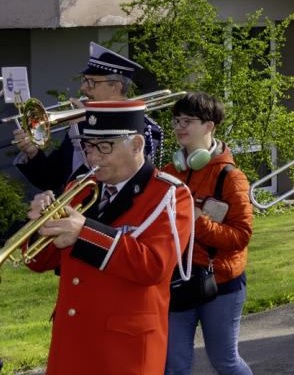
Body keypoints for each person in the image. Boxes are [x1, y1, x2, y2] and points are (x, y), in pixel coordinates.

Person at [23, 100, 194, 375]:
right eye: (89, 147)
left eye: (104, 147)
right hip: (72, 342)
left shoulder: (170, 195)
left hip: (124, 351)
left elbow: (154, 267)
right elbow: (39, 261)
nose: (93, 158)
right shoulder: (78, 188)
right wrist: (40, 226)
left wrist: (83, 233)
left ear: (137, 145)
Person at [162, 92, 254, 375]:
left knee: (224, 362)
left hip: (221, 284)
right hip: (178, 280)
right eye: (176, 120)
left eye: (187, 121)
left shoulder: (231, 177)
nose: (179, 127)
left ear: (209, 126)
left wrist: (197, 221)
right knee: (173, 366)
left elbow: (241, 236)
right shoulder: (168, 173)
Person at [14, 42, 165, 193]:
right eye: (84, 81)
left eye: (91, 82)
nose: (83, 88)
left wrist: (83, 134)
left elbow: (127, 179)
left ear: (115, 87)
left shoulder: (145, 128)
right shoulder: (81, 123)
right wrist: (32, 152)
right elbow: (51, 180)